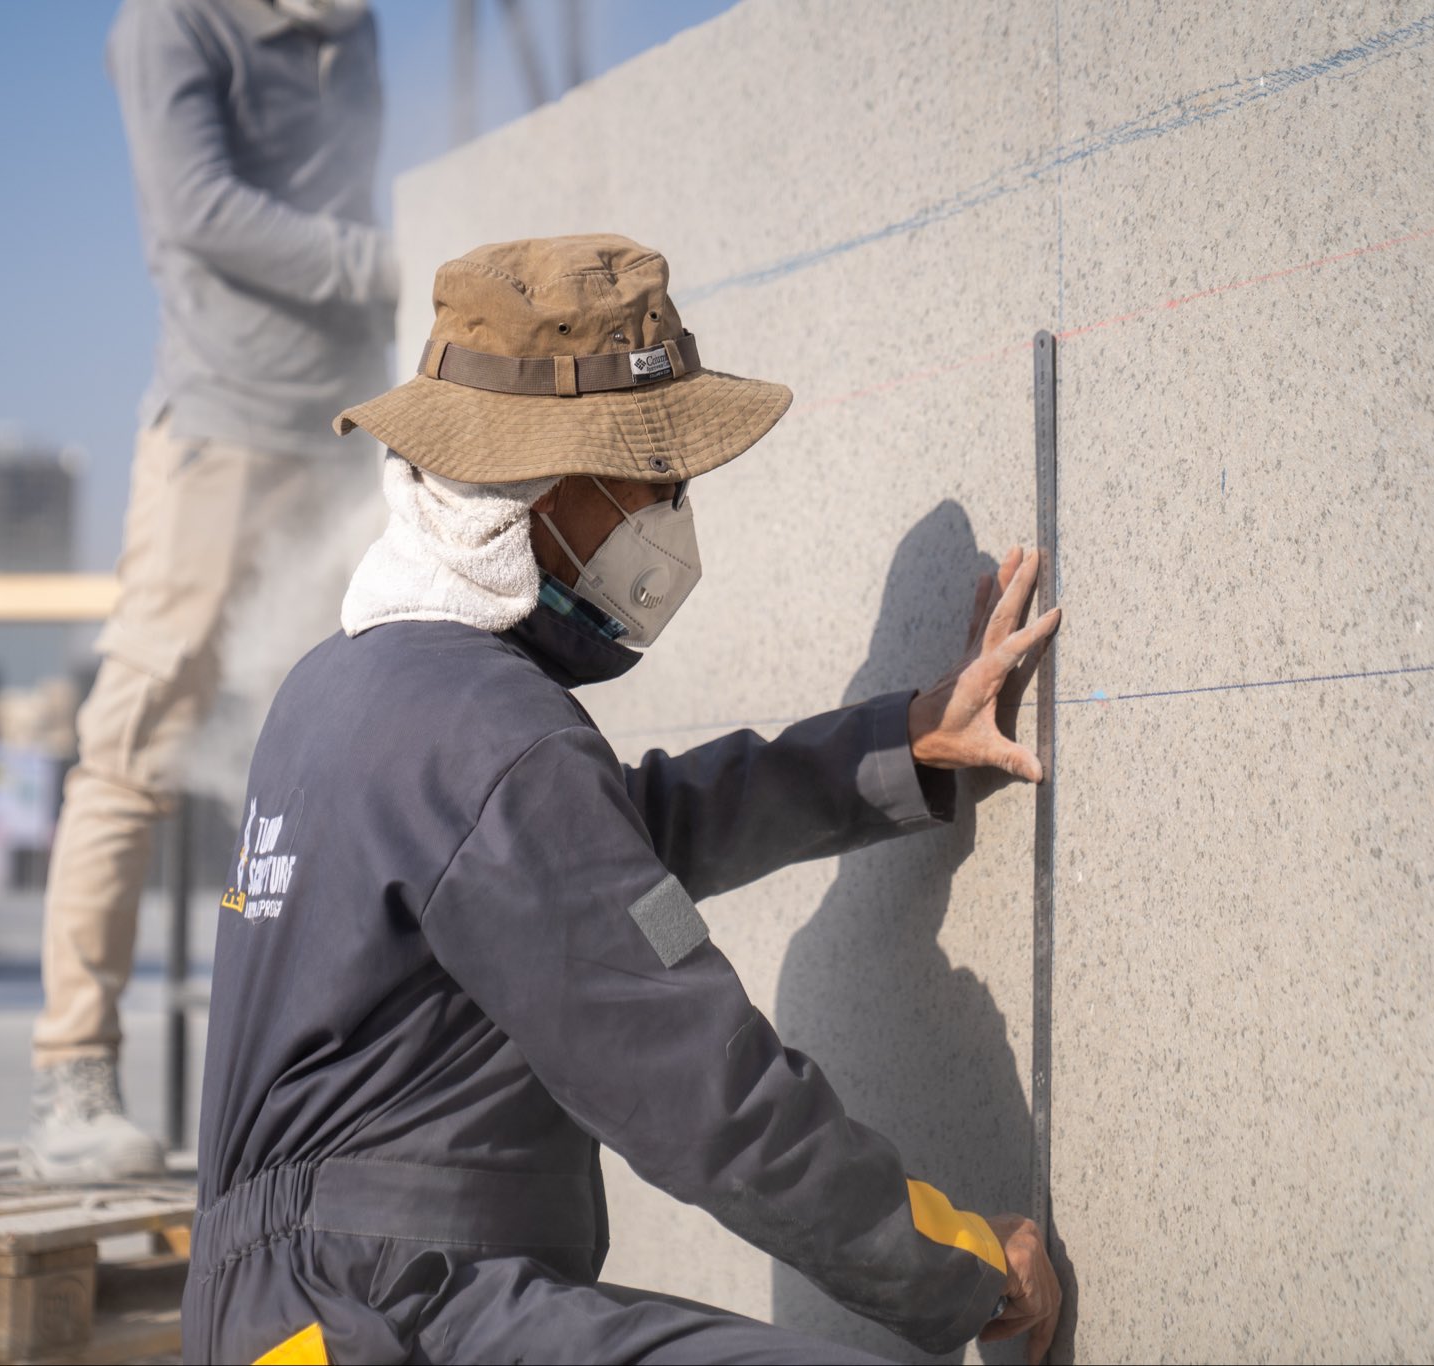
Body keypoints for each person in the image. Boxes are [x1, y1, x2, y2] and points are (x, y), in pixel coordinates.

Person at [182, 235, 1065, 1364]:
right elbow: (706, 1094)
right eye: (654, 480)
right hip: (389, 1320)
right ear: (543, 488)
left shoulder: (342, 687)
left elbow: (614, 846)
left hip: (278, 1318)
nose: (672, 514)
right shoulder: (488, 734)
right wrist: (961, 1269)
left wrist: (898, 741)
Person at [24, 0, 397, 1180]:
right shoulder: (173, 23)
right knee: (135, 736)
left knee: (351, 750)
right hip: (221, 438)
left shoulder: (355, 24)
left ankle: (324, 1083)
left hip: (354, 429)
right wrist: (393, 264)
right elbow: (197, 211)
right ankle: (71, 1078)